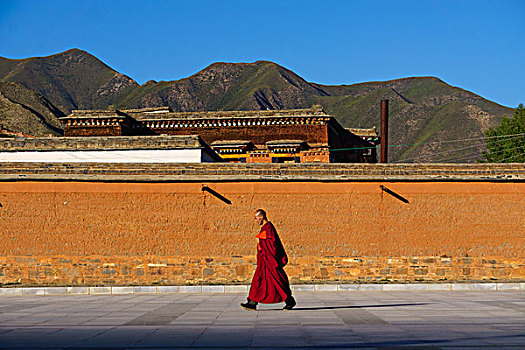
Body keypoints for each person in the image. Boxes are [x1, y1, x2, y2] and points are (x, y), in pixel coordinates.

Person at [241, 209, 296, 311]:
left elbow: (272, 243)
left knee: (277, 281)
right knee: (258, 281)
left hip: (269, 260)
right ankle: (252, 302)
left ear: (261, 217)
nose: (256, 220)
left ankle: (289, 301)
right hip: (264, 261)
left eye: (256, 218)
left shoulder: (269, 227)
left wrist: (261, 240)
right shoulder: (265, 228)